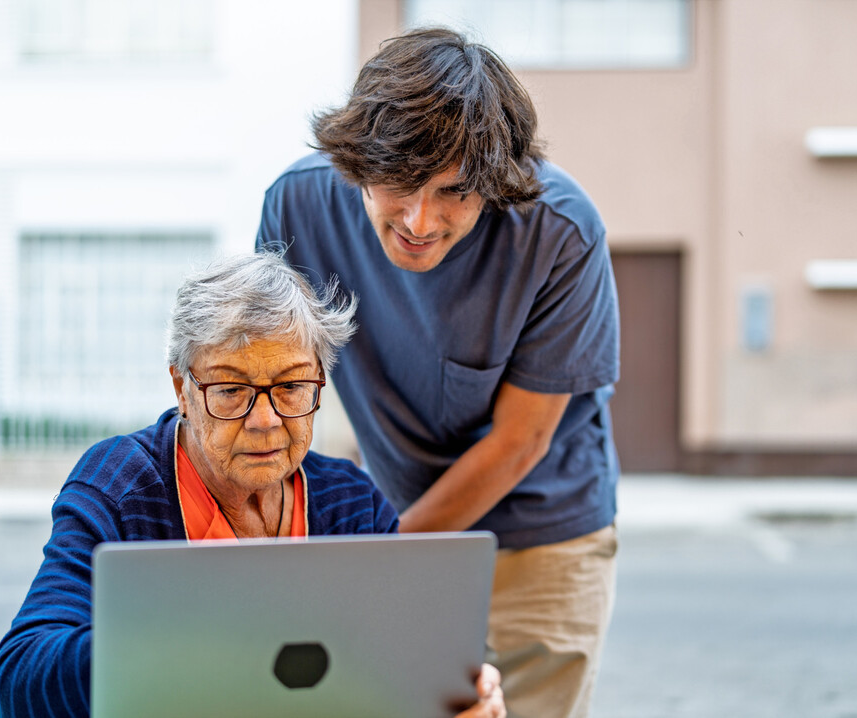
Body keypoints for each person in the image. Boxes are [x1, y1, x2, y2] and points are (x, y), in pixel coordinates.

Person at [256, 26, 620, 718]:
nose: (420, 220)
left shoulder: (559, 231)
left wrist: (383, 558)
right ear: (357, 161)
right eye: (398, 183)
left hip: (541, 540)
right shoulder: (297, 206)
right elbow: (272, 389)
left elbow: (520, 442)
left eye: (454, 191)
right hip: (398, 519)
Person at [0, 252, 505, 718]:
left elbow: (405, 668)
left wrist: (461, 699)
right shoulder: (119, 486)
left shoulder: (352, 503)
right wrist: (197, 639)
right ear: (182, 389)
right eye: (231, 389)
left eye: (292, 386)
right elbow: (20, 679)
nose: (265, 420)